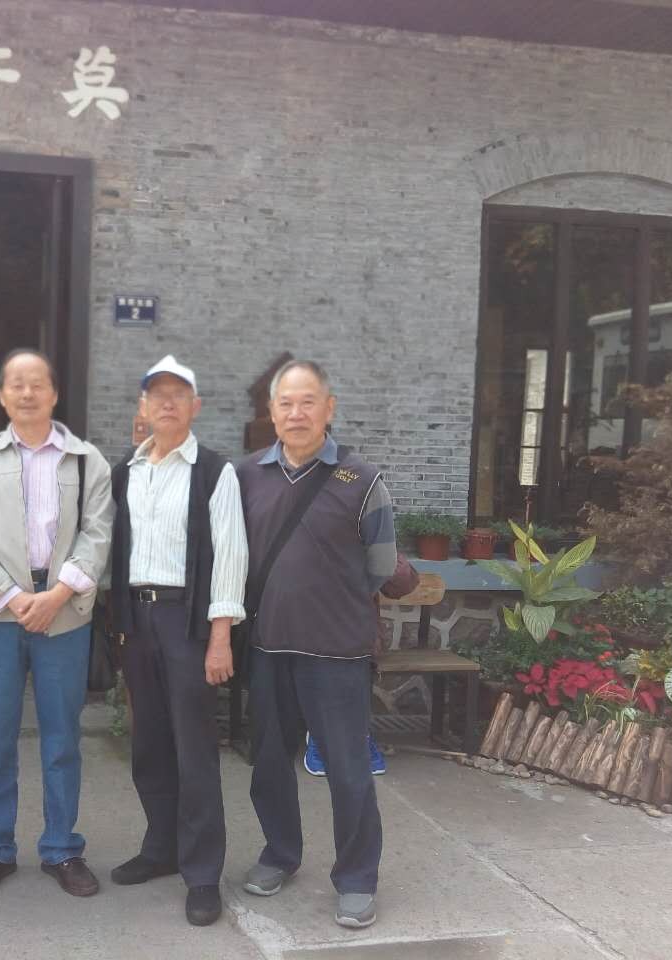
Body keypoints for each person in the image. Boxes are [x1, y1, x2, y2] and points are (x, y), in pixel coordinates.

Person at [235, 360, 397, 930]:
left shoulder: (363, 479)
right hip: (268, 647)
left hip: (337, 654)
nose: (296, 413)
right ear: (271, 412)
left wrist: (329, 602)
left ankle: (356, 878)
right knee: (269, 765)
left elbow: (380, 566)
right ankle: (280, 853)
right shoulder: (246, 476)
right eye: (286, 403)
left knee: (348, 770)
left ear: (329, 408)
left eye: (308, 402)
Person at [0, 348, 113, 899]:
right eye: (16, 384)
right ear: (2, 395)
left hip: (64, 613)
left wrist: (57, 594)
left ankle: (62, 847)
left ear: (54, 393)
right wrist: (16, 597)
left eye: (37, 383)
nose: (27, 393)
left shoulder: (87, 460)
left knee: (62, 737)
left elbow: (98, 533)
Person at [108, 355, 248, 926]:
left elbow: (231, 556)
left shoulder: (214, 472)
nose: (167, 403)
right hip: (136, 621)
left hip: (187, 621)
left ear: (196, 406)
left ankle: (203, 873)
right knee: (149, 744)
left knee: (194, 750)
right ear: (142, 407)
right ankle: (160, 848)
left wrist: (221, 637)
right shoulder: (126, 471)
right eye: (157, 394)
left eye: (178, 394)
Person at [303, 555, 419, 779]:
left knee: (355, 656)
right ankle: (320, 733)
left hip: (359, 635)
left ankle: (359, 733)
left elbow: (402, 584)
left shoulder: (367, 538)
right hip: (313, 631)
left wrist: (381, 548)